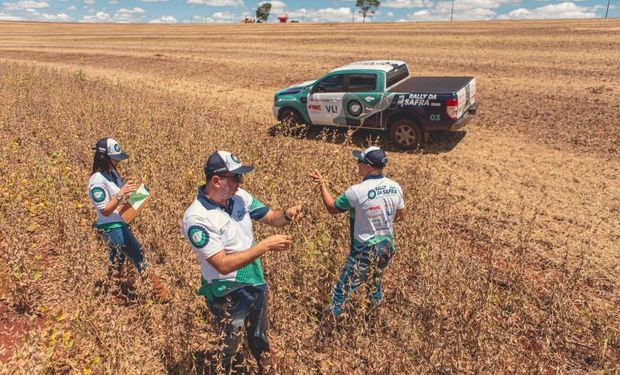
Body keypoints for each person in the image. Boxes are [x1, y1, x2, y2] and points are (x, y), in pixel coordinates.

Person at [182, 150, 301, 374]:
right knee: (229, 343)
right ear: (216, 180)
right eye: (236, 177)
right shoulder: (196, 218)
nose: (241, 182)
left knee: (259, 333)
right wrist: (264, 246)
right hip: (226, 291)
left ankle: (266, 367)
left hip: (254, 280)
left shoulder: (240, 197)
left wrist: (286, 214)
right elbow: (222, 265)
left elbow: (271, 217)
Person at [309, 146, 406, 335]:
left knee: (341, 291)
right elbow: (401, 215)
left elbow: (332, 208)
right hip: (387, 246)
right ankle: (373, 327)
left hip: (364, 250)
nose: (357, 165)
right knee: (374, 284)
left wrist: (322, 184)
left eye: (359, 162)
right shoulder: (395, 186)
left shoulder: (357, 191)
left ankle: (321, 337)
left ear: (368, 167)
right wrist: (380, 219)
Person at [88, 137, 169, 301]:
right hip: (112, 227)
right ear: (104, 157)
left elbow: (119, 204)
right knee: (139, 256)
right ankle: (160, 293)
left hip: (119, 222)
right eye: (115, 159)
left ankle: (113, 293)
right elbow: (105, 210)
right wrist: (121, 193)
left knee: (117, 259)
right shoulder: (97, 180)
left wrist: (136, 196)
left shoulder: (111, 175)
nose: (118, 162)